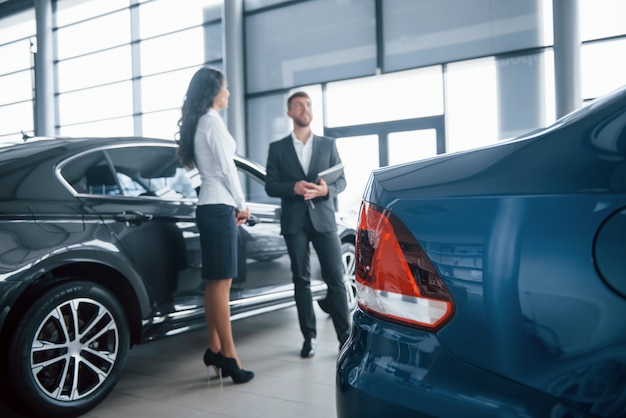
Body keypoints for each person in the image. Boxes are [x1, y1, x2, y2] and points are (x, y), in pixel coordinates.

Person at [176, 66, 254, 383]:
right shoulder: (212, 121)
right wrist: (242, 203)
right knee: (221, 286)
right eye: (226, 87)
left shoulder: (201, 122)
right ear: (213, 91)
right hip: (220, 205)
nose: (229, 93)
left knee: (214, 284)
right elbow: (226, 169)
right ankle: (230, 357)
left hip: (208, 206)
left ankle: (214, 349)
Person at [265, 91, 350, 358]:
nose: (305, 109)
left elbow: (341, 181)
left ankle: (345, 338)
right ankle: (308, 338)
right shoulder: (277, 148)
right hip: (294, 221)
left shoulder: (327, 144)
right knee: (301, 280)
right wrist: (293, 187)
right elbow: (269, 185)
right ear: (290, 113)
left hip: (323, 219)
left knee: (335, 278)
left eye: (309, 105)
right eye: (299, 105)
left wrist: (326, 191)